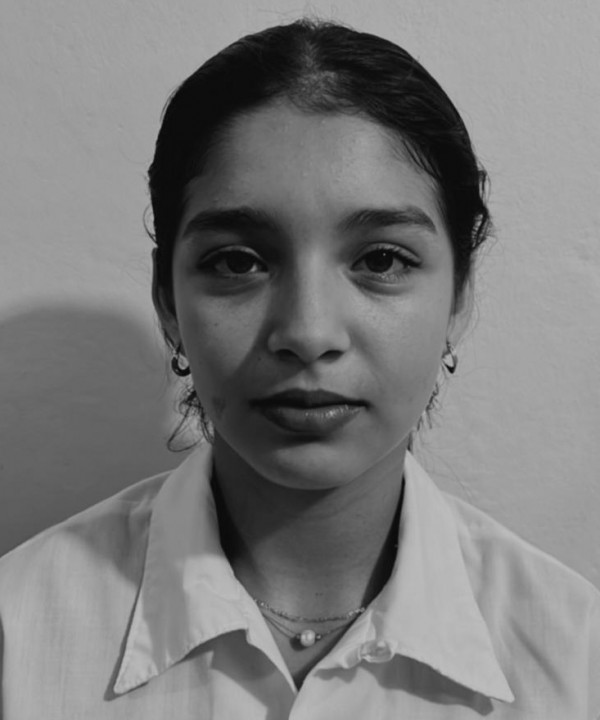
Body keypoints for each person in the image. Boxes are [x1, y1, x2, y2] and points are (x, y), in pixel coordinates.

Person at [0, 18, 599, 719]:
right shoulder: (19, 635)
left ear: (460, 296)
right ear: (168, 300)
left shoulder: (574, 659)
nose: (308, 333)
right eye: (238, 261)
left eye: (381, 260)